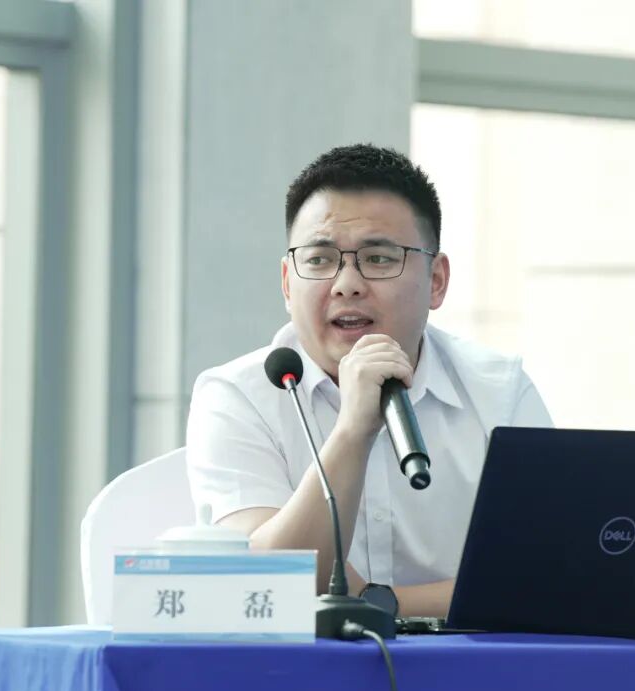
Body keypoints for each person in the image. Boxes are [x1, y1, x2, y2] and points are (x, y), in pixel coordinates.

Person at [186, 144, 552, 617]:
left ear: (436, 280)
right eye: (319, 260)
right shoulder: (238, 396)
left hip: (466, 660)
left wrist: (373, 603)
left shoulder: (499, 392)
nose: (347, 284)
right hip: (298, 662)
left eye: (378, 259)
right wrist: (353, 430)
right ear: (287, 283)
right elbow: (266, 582)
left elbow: (542, 577)